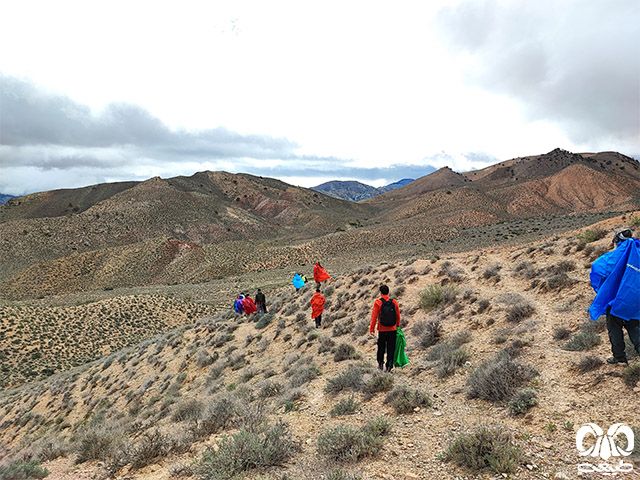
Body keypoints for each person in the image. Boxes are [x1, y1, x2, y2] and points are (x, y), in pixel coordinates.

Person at [588, 227, 640, 365]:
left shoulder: (614, 256)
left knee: (614, 327)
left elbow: (597, 267)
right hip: (635, 299)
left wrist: (602, 289)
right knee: (634, 326)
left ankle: (620, 358)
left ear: (617, 240)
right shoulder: (637, 253)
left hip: (616, 300)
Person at [370, 285, 401, 372]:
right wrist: (397, 326)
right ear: (388, 292)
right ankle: (389, 366)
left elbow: (374, 317)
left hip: (382, 329)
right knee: (391, 347)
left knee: (381, 347)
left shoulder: (378, 302)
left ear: (380, 292)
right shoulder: (394, 302)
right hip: (392, 329)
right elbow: (398, 315)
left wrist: (372, 329)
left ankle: (380, 364)